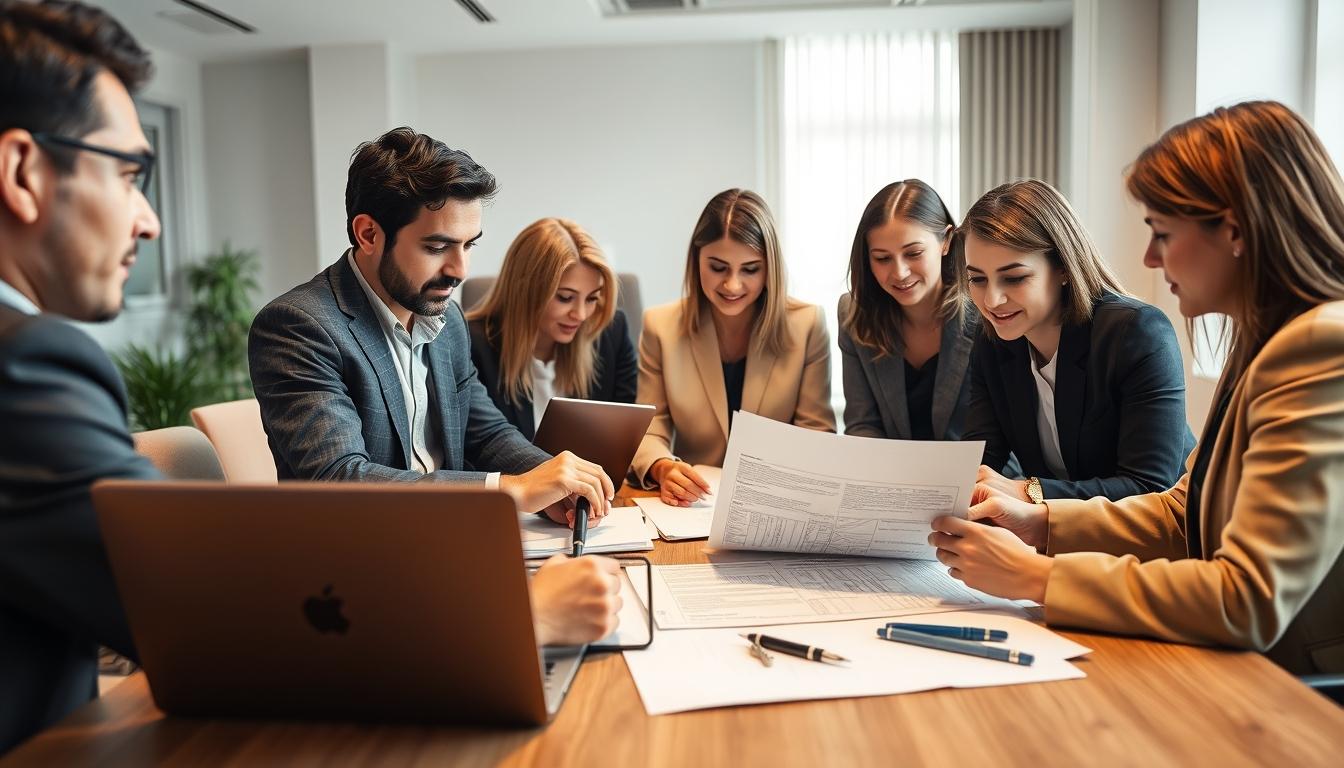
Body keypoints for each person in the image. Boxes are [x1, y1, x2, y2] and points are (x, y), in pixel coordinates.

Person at [0, 7, 619, 754]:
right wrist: (516, 615)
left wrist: (543, 475)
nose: (150, 221)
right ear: (23, 173)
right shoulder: (27, 367)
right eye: (130, 174)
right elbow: (215, 614)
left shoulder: (447, 317)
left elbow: (478, 419)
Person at [930, 101, 1344, 674]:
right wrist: (1042, 522)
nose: (1149, 256)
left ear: (1236, 230)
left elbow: (1249, 600)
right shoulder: (1268, 341)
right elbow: (1182, 511)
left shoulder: (1319, 347)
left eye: (1162, 233)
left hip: (1291, 683)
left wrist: (1038, 575)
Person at [249, 129, 613, 527]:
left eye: (468, 245)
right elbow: (339, 478)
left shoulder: (447, 320)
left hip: (453, 538)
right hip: (360, 560)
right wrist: (510, 489)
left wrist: (559, 481)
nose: (460, 270)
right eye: (437, 247)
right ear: (368, 234)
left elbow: (485, 434)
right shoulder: (299, 327)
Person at [958, 179, 1194, 502]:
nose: (992, 300)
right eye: (977, 279)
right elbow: (981, 462)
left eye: (1014, 278)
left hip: (1168, 537)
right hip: (1061, 537)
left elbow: (1149, 487)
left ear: (1063, 269)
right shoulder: (993, 342)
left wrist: (1030, 492)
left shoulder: (1138, 333)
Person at [631, 188, 835, 506]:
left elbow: (816, 434)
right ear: (696, 259)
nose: (732, 285)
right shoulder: (661, 326)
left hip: (778, 501)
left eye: (750, 269)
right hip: (694, 502)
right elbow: (650, 429)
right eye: (718, 267)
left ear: (770, 268)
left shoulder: (807, 323)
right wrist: (663, 468)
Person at [466, 217, 637, 439]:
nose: (581, 314)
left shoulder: (610, 334)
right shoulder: (472, 345)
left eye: (592, 298)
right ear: (525, 289)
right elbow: (477, 450)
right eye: (565, 298)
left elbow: (622, 436)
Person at [838, 180, 979, 441]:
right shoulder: (853, 313)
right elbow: (862, 426)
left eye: (913, 253)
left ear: (946, 241)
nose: (900, 273)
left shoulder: (983, 311)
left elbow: (1002, 440)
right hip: (886, 475)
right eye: (882, 258)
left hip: (973, 475)